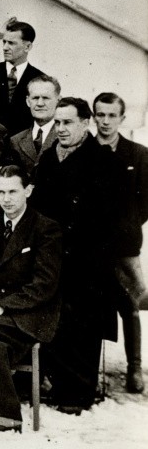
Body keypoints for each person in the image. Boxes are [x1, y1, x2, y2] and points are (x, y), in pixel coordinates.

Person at [32, 97, 121, 412]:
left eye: (68, 122)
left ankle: (78, 393)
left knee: (83, 325)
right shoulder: (48, 158)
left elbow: (110, 218)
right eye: (57, 122)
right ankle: (56, 384)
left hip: (86, 259)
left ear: (86, 123)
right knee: (56, 321)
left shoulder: (103, 161)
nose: (61, 128)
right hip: (52, 255)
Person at [0, 166, 62, 434]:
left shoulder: (45, 228)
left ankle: (5, 413)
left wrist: (2, 307)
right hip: (0, 307)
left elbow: (44, 285)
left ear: (28, 191)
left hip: (33, 311)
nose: (6, 199)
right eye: (0, 192)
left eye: (13, 192)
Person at [94, 92, 148, 392]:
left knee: (130, 304)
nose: (105, 121)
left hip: (124, 245)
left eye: (111, 115)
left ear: (122, 118)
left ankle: (134, 368)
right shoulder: (85, 151)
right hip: (91, 245)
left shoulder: (138, 154)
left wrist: (126, 225)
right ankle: (87, 370)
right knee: (89, 305)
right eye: (100, 115)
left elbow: (145, 202)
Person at [0, 18, 45, 135]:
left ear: (27, 47)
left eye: (11, 43)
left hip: (23, 142)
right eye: (4, 42)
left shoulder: (39, 79)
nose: (5, 47)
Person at [10, 75, 60, 176]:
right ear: (28, 101)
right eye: (35, 98)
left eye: (46, 98)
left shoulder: (65, 137)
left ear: (58, 100)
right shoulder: (15, 141)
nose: (40, 103)